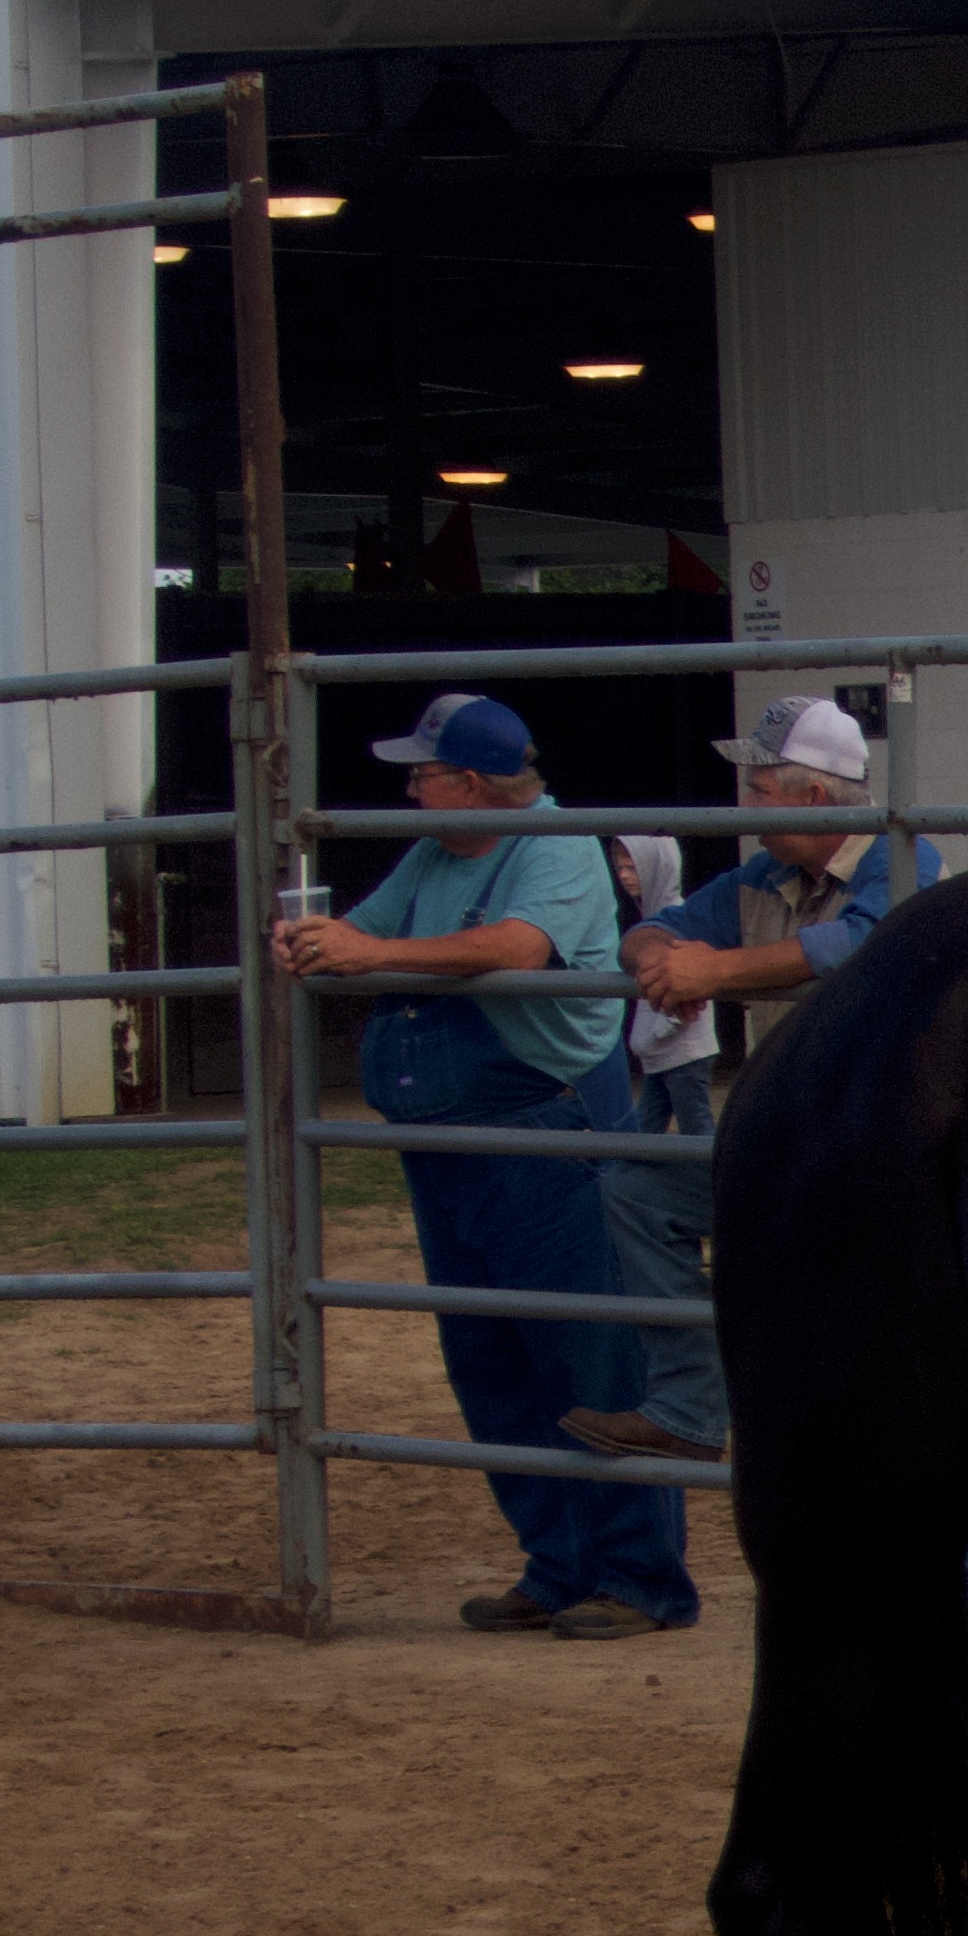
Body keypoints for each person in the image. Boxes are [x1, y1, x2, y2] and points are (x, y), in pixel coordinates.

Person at [560, 695, 968, 1659]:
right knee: (638, 1189)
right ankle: (687, 1406)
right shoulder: (761, 875)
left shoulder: (904, 862)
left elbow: (857, 949)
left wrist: (715, 973)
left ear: (815, 796)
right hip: (799, 1142)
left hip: (901, 1154)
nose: (748, 803)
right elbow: (658, 925)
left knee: (935, 1371)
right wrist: (662, 958)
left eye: (760, 787)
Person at [276, 691, 699, 1643]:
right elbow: (365, 930)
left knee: (586, 1348)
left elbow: (516, 946)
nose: (409, 790)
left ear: (470, 784)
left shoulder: (554, 845)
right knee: (488, 1355)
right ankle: (558, 1563)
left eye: (422, 775)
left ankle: (640, 1577)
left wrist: (371, 952)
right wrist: (318, 942)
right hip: (452, 1139)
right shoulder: (435, 852)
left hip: (546, 1126)